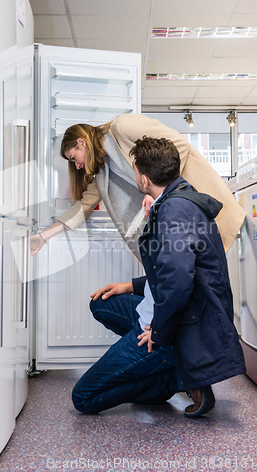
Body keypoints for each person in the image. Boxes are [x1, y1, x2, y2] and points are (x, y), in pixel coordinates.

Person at [71, 136, 246, 417]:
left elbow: (177, 283)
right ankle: (165, 363)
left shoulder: (174, 211)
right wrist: (128, 286)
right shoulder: (174, 200)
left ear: (143, 177)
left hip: (167, 328)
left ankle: (174, 374)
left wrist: (159, 332)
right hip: (162, 313)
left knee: (84, 398)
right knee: (100, 303)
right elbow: (168, 269)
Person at [30, 113, 245, 259]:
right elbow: (82, 208)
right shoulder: (102, 171)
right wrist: (43, 236)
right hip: (181, 228)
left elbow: (178, 144)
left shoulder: (122, 127)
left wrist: (158, 189)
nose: (76, 166)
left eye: (73, 157)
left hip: (205, 210)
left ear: (81, 142)